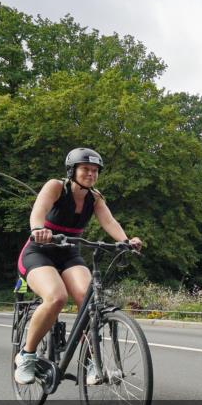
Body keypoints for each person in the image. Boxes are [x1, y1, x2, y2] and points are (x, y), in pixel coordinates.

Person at [14, 148, 141, 385]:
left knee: (89, 300)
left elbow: (109, 222)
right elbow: (38, 211)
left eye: (95, 171)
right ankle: (27, 355)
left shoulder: (95, 198)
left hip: (69, 254)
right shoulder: (56, 186)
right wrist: (38, 230)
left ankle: (94, 362)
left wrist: (126, 242)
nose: (91, 174)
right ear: (72, 170)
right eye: (85, 169)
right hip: (39, 251)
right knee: (56, 297)